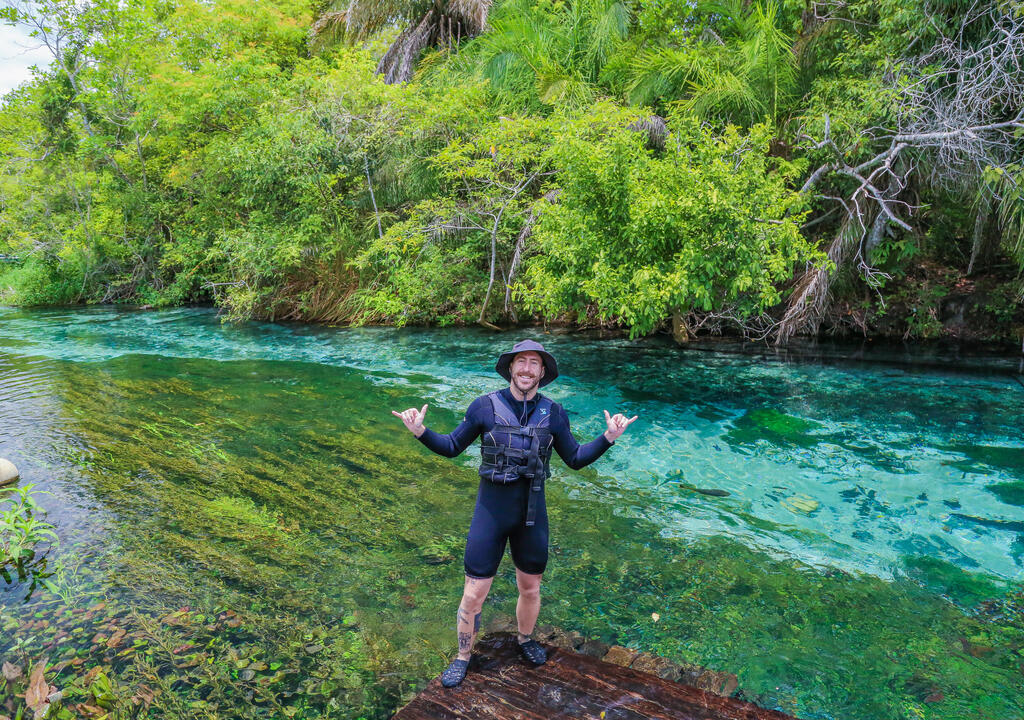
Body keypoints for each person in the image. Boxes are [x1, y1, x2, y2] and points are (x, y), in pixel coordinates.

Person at [391, 339, 637, 688]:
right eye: (520, 362)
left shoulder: (554, 413)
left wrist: (609, 437)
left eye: (534, 363)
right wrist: (420, 431)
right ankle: (462, 656)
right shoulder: (484, 407)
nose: (526, 369)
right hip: (490, 513)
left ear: (542, 372)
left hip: (532, 517)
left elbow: (576, 459)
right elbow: (451, 446)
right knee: (473, 594)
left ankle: (524, 638)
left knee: (531, 587)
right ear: (510, 368)